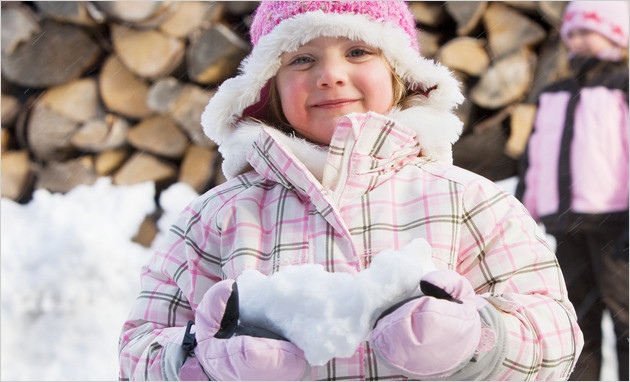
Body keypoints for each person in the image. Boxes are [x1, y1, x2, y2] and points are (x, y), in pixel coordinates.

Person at [119, 2, 583, 380]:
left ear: (399, 70)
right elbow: (138, 349)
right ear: (268, 88)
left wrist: (477, 338)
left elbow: (557, 335)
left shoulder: (469, 200)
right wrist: (200, 359)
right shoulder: (217, 217)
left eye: (359, 51)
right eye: (301, 58)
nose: (331, 74)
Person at [516, 1, 629, 380]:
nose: (578, 41)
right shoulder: (554, 92)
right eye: (572, 33)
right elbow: (535, 159)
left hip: (616, 228)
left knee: (625, 314)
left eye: (588, 31)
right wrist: (523, 213)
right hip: (565, 226)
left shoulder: (623, 85)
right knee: (576, 320)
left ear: (616, 35)